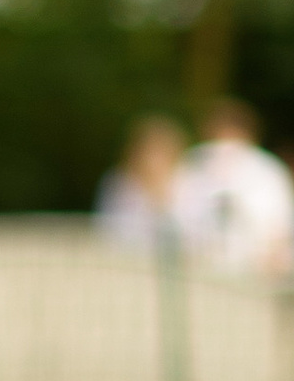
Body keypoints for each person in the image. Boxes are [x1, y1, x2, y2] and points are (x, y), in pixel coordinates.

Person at [170, 98, 294, 281]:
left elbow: (279, 228)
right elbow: (174, 214)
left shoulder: (267, 171)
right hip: (197, 271)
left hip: (254, 275)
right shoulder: (192, 164)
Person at [94, 113, 186, 251]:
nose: (152, 160)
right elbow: (110, 232)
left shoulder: (187, 182)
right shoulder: (118, 184)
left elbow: (191, 234)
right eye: (149, 151)